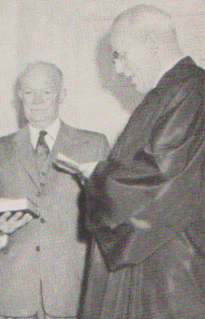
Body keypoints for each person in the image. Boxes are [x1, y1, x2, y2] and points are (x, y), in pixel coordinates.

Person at [83, 5, 205, 318]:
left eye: (120, 54)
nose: (119, 70)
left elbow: (158, 180)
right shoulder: (172, 93)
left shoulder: (191, 92)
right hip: (158, 264)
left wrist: (97, 178)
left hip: (171, 276)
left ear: (150, 43)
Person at [0, 61, 109, 319]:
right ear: (19, 97)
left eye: (46, 92)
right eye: (28, 92)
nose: (36, 100)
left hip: (72, 291)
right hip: (11, 294)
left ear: (62, 95)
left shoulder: (94, 145)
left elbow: (110, 216)